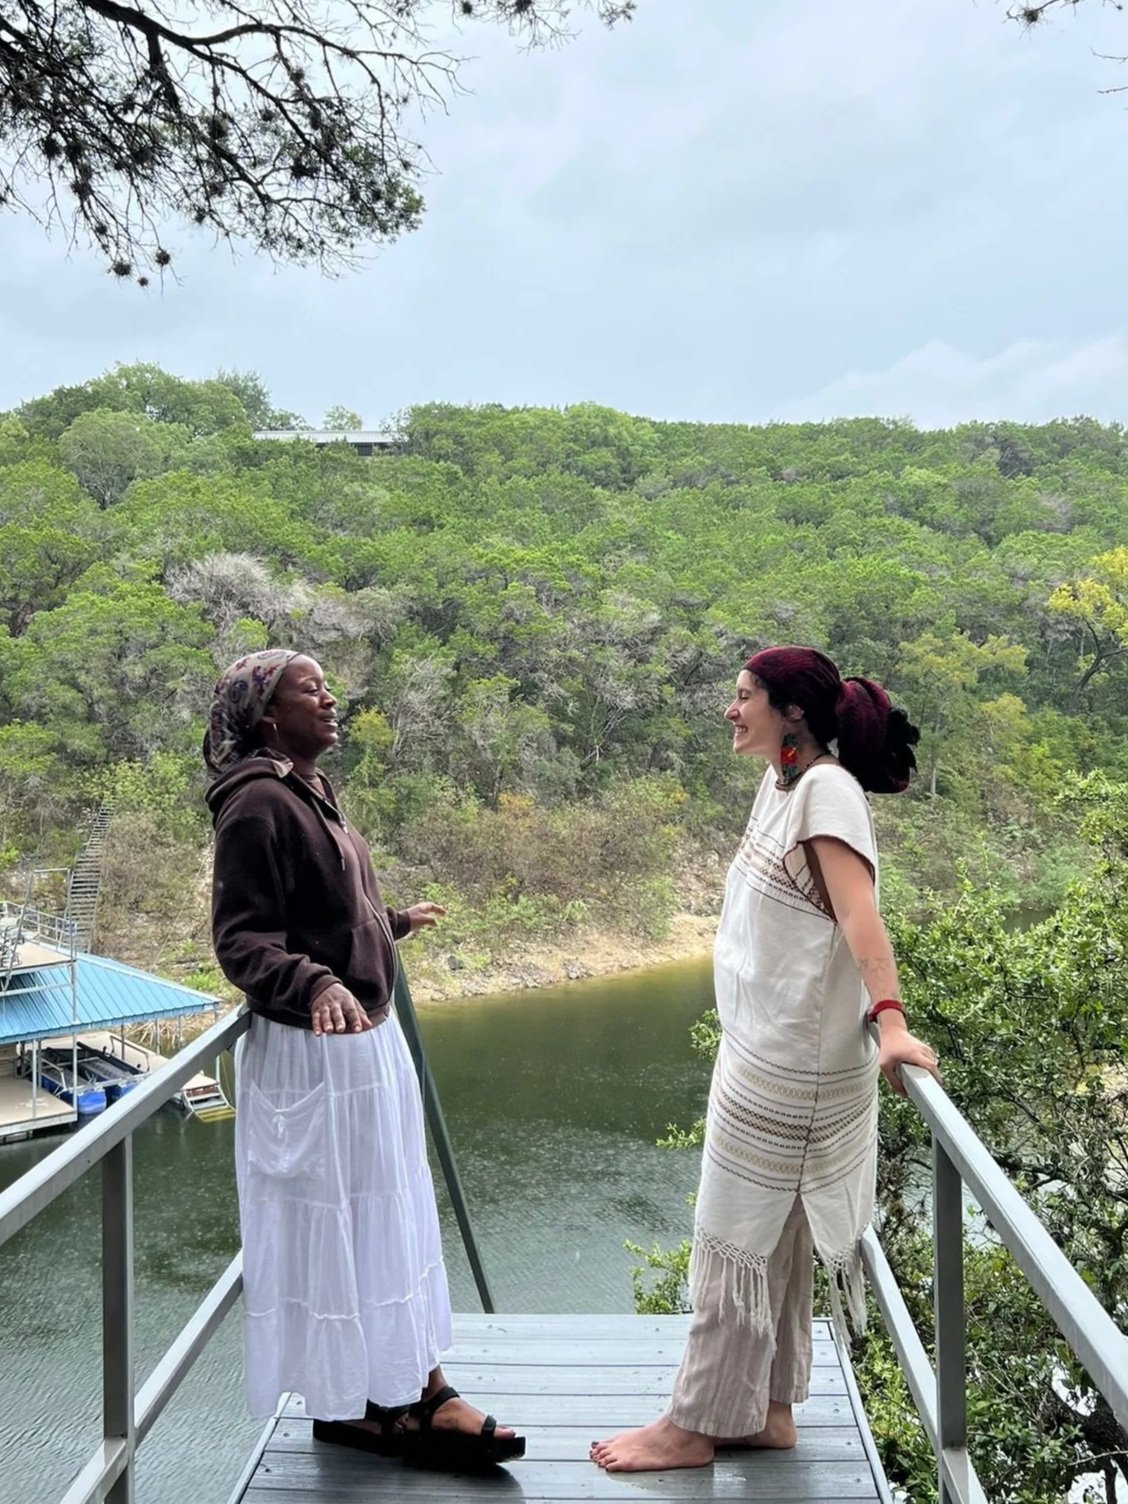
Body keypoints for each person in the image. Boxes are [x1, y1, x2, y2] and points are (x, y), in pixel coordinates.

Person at [591, 645, 939, 1474]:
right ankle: (768, 1412)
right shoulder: (783, 783)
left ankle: (694, 1423)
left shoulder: (824, 792)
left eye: (744, 695)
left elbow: (861, 921)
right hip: (768, 1049)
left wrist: (890, 1022)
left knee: (730, 1235)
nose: (729, 708)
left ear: (793, 713)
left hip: (794, 1069)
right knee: (770, 1247)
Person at [205, 648, 525, 1468]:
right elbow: (243, 941)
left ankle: (395, 1392)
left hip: (360, 1048)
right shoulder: (255, 805)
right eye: (311, 689)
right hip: (317, 1057)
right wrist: (311, 984)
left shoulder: (307, 789)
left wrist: (389, 923)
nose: (332, 698)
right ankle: (392, 1402)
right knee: (347, 1229)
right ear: (269, 716)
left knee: (383, 1223)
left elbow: (324, 907)